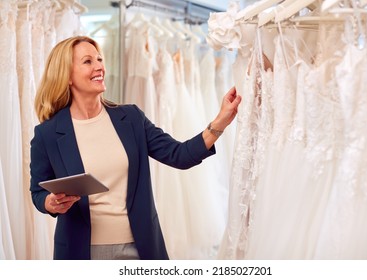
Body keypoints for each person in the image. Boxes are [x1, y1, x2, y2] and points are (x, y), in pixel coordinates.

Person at [30, 36, 241, 260]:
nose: (99, 66)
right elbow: (38, 192)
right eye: (88, 61)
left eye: (100, 59)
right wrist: (50, 203)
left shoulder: (131, 118)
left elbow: (179, 155)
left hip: (140, 248)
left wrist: (220, 122)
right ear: (67, 75)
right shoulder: (48, 134)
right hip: (80, 252)